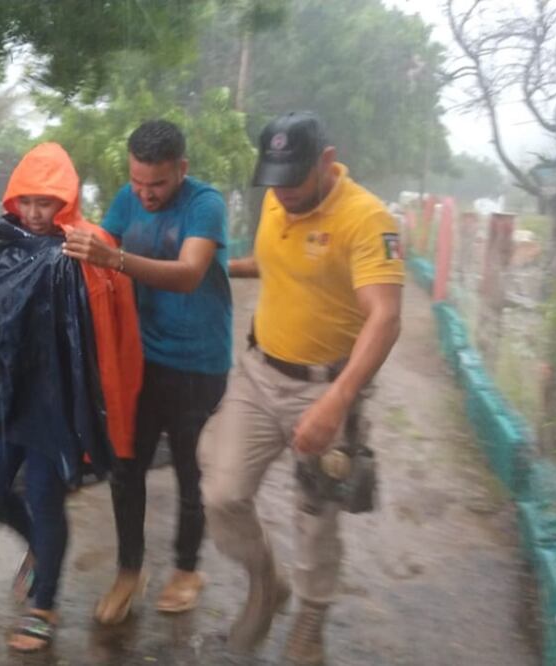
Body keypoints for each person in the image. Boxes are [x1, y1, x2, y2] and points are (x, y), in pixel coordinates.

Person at [197, 111, 403, 664]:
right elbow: (270, 262)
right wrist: (212, 268)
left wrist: (338, 402)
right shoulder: (276, 197)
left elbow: (385, 318)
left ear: (327, 162)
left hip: (328, 387)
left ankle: (310, 621)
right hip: (261, 374)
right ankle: (267, 583)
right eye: (274, 179)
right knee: (222, 492)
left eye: (294, 179)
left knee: (315, 517)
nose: (283, 192)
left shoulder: (368, 220)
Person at [0, 142, 143, 653]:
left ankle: (44, 604)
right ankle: (35, 542)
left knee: (44, 496)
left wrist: (108, 409)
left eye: (46, 202)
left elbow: (116, 330)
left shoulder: (90, 246)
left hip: (60, 401)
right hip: (9, 395)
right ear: (13, 200)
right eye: (26, 201)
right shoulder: (2, 243)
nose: (34, 213)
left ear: (66, 201)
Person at [62, 119, 231, 623]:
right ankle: (129, 571)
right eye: (138, 182)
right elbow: (96, 251)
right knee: (125, 464)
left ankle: (186, 568)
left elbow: (188, 274)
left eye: (156, 184)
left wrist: (113, 258)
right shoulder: (126, 197)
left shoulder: (206, 204)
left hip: (198, 363)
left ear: (181, 168)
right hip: (139, 359)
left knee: (187, 467)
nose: (145, 194)